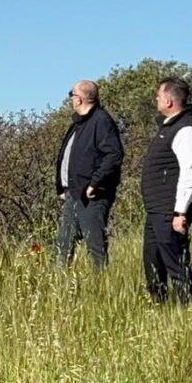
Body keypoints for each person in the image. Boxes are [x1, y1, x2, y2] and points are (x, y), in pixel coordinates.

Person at [140, 78, 192, 304]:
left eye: (159, 95)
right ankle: (159, 307)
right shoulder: (169, 127)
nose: (156, 99)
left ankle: (186, 309)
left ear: (169, 101)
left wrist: (180, 212)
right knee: (152, 258)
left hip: (171, 209)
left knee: (175, 261)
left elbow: (190, 170)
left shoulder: (186, 129)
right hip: (156, 209)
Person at [53, 80, 124, 269]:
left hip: (92, 195)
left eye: (72, 94)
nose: (70, 99)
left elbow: (113, 155)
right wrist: (63, 187)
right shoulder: (79, 123)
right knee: (63, 243)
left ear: (79, 98)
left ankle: (100, 289)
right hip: (73, 193)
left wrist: (94, 183)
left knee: (95, 244)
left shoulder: (101, 121)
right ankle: (58, 287)